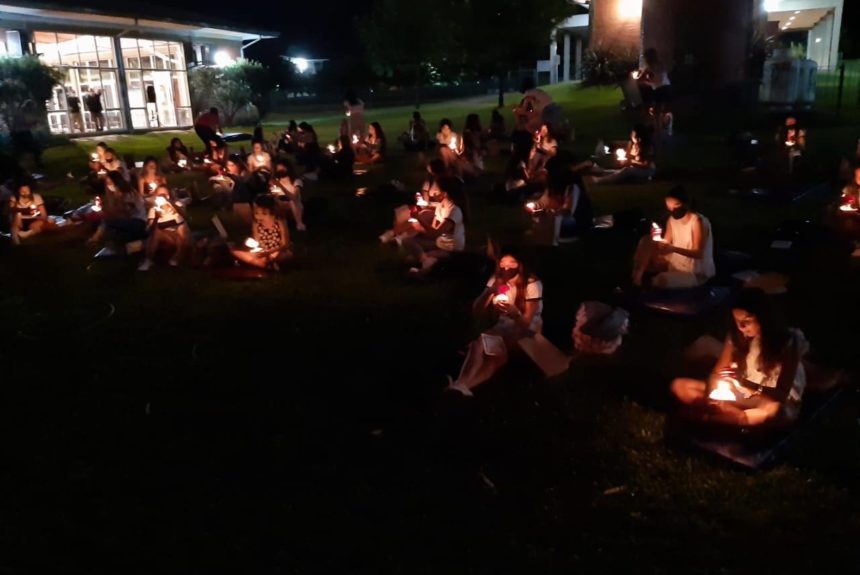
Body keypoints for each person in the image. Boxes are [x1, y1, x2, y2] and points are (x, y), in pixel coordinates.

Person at [671, 288, 809, 428]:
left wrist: (744, 383)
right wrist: (710, 397)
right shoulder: (737, 337)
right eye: (737, 320)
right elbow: (716, 373)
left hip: (769, 399)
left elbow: (780, 395)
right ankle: (734, 416)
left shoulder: (789, 342)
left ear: (763, 317)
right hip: (741, 395)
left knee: (778, 412)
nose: (741, 326)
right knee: (680, 385)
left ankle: (714, 419)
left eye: (747, 320)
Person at [447, 252, 544, 396]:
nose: (506, 268)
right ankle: (461, 387)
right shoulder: (497, 280)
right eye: (503, 263)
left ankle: (459, 385)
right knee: (484, 348)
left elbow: (526, 323)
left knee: (489, 349)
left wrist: (515, 313)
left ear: (521, 265)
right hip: (503, 328)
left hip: (527, 331)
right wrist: (490, 292)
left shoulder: (532, 284)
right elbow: (477, 311)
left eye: (512, 263)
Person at [632, 186, 715, 289]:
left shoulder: (697, 221)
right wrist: (657, 239)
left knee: (662, 280)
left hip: (694, 273)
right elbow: (665, 247)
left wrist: (674, 249)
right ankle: (637, 278)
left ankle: (648, 283)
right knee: (646, 240)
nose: (672, 209)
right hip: (674, 264)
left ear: (686, 204)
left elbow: (699, 253)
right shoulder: (672, 220)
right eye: (669, 206)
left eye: (676, 205)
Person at [400, 176, 466, 274]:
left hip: (451, 249)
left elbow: (434, 233)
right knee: (406, 240)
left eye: (436, 190)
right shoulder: (440, 205)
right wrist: (418, 229)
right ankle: (426, 260)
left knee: (411, 259)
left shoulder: (454, 211)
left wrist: (419, 219)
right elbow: (432, 230)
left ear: (444, 194)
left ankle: (427, 264)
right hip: (440, 243)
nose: (433, 193)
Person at [230, 194, 292, 270]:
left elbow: (285, 244)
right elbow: (258, 242)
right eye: (256, 213)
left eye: (264, 213)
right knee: (235, 251)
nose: (259, 216)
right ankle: (265, 264)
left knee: (287, 255)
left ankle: (261, 264)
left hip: (277, 251)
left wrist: (269, 252)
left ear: (273, 213)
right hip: (264, 253)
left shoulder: (280, 222)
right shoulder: (256, 224)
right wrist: (254, 247)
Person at [138, 185, 191, 271]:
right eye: (159, 195)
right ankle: (148, 260)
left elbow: (184, 216)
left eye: (164, 195)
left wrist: (171, 204)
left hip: (178, 236)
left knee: (182, 226)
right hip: (164, 237)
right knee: (157, 232)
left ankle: (178, 255)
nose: (162, 197)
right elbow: (150, 228)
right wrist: (156, 217)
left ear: (169, 195)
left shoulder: (177, 205)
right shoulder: (154, 209)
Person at [87, 172, 147, 246]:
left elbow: (126, 214)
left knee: (107, 221)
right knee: (109, 224)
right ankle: (100, 238)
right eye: (107, 183)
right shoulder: (114, 194)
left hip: (138, 222)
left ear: (117, 182)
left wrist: (106, 211)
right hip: (128, 222)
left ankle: (96, 238)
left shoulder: (128, 193)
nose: (109, 185)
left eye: (111, 182)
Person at [590, 125, 656, 185]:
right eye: (632, 135)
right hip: (637, 168)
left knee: (626, 171)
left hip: (647, 170)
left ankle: (601, 181)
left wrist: (631, 162)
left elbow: (646, 165)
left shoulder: (647, 147)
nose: (632, 137)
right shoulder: (633, 145)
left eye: (634, 135)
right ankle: (602, 173)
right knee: (618, 171)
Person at [635, 48, 673, 135]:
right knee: (663, 111)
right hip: (668, 88)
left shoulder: (649, 68)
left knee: (656, 114)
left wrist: (646, 81)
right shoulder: (661, 64)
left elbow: (640, 80)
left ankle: (658, 133)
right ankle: (666, 128)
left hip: (660, 90)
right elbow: (660, 78)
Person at [269, 158, 306, 231]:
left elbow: (295, 198)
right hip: (279, 202)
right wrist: (278, 200)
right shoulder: (276, 181)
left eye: (283, 168)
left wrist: (280, 186)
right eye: (279, 169)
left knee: (293, 202)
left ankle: (299, 224)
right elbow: (273, 194)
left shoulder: (296, 181)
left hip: (293, 203)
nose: (281, 171)